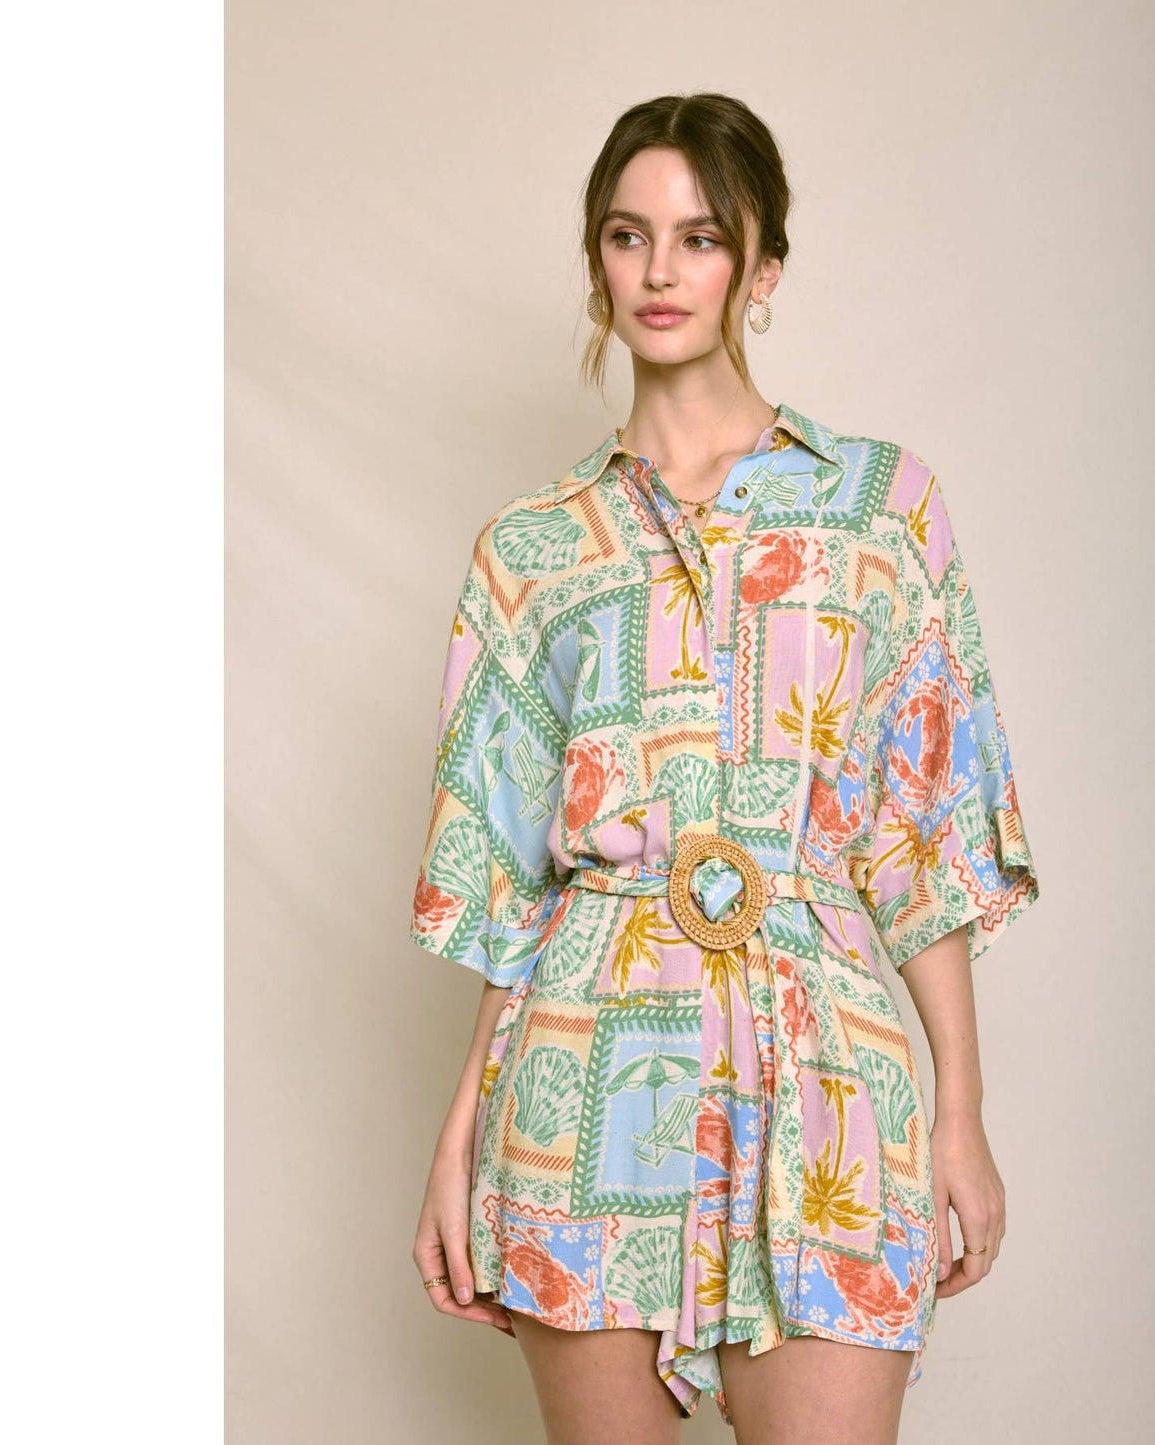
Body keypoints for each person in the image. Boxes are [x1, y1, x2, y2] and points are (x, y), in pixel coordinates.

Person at [409, 92, 1040, 1445]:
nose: (658, 269)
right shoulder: (531, 548)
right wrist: (458, 1141)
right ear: (596, 261)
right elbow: (510, 886)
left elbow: (921, 837)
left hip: (826, 1077)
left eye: (699, 238)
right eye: (627, 235)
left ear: (760, 270)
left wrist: (961, 1114)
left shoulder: (881, 509)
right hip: (581, 1080)